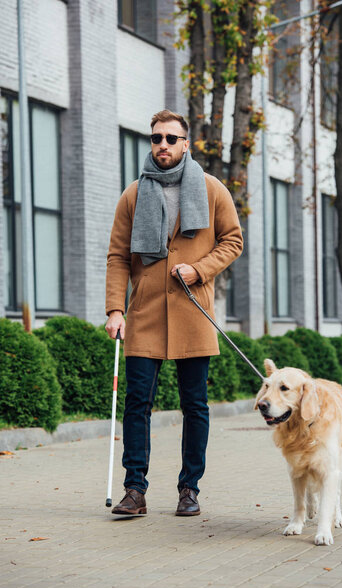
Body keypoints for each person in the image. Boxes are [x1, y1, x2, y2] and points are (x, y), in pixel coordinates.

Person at [105, 109, 243, 517]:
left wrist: (199, 269)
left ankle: (189, 489)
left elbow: (232, 240)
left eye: (170, 138)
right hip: (144, 313)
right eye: (155, 138)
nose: (161, 145)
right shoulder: (133, 193)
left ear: (186, 143)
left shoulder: (212, 188)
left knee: (195, 405)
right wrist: (115, 308)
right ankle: (135, 490)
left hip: (192, 312)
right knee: (137, 404)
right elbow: (117, 256)